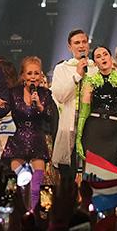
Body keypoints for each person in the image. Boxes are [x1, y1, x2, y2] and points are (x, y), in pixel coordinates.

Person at [3, 57, 57, 207]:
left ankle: (33, 215)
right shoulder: (13, 93)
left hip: (37, 141)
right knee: (16, 184)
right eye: (29, 73)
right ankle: (15, 215)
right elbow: (2, 111)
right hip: (17, 141)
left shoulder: (45, 94)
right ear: (23, 76)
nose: (33, 77)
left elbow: (50, 117)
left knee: (36, 186)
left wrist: (40, 106)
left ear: (41, 76)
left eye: (36, 73)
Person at [77, 46, 117, 168]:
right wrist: (78, 139)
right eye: (98, 56)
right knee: (92, 174)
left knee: (111, 175)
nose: (103, 58)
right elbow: (83, 114)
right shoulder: (90, 82)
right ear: (95, 63)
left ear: (111, 58)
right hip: (93, 130)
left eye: (105, 54)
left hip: (113, 132)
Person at [51, 29, 97, 174]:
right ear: (69, 47)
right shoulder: (62, 69)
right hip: (70, 127)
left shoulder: (96, 68)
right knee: (69, 175)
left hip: (92, 128)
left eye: (84, 42)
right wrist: (77, 75)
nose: (81, 46)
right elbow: (60, 96)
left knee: (91, 174)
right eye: (77, 43)